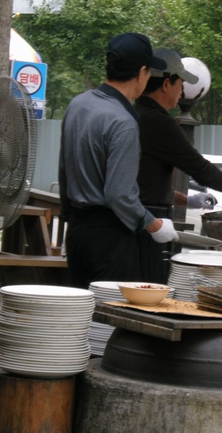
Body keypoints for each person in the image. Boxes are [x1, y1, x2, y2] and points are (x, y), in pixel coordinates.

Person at [59, 33, 179, 290]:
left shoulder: (78, 104)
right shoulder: (123, 121)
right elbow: (119, 194)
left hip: (77, 231)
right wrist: (154, 225)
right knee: (110, 312)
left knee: (80, 308)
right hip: (109, 235)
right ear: (142, 72)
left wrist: (68, 217)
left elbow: (64, 170)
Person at [135, 49, 222, 283]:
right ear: (166, 84)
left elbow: (143, 181)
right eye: (180, 84)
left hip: (137, 219)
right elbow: (201, 169)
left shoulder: (136, 114)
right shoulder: (158, 122)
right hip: (147, 224)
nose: (181, 91)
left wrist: (187, 200)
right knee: (147, 288)